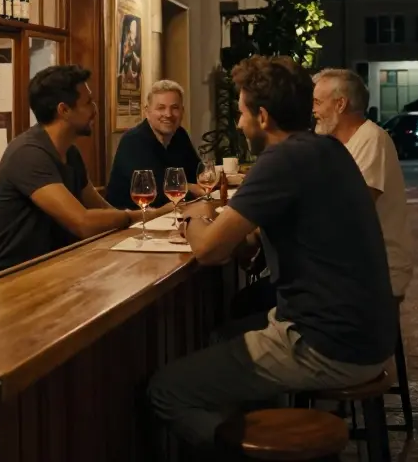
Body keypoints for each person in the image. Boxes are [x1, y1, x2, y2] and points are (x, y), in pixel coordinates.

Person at [148, 56, 396, 456]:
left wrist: (195, 216)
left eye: (243, 112)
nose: (240, 123)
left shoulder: (281, 160)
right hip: (368, 334)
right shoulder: (327, 150)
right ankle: (260, 428)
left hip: (327, 344)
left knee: (167, 390)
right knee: (222, 337)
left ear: (262, 116)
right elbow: (263, 237)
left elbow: (209, 250)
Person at [0, 65, 147, 275]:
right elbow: (83, 222)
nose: (95, 109)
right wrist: (135, 217)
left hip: (57, 268)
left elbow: (102, 208)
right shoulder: (28, 154)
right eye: (88, 103)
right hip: (10, 278)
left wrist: (149, 216)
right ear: (64, 110)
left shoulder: (71, 153)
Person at [313, 68, 414, 300]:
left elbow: (352, 208)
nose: (313, 110)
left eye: (318, 102)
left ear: (340, 104)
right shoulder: (339, 144)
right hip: (355, 268)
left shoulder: (371, 139)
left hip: (376, 272)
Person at [105, 80, 202, 210]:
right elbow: (156, 194)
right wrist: (191, 188)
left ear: (182, 111)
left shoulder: (180, 134)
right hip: (130, 222)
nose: (168, 114)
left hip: (168, 216)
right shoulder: (133, 141)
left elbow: (197, 175)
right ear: (147, 111)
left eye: (175, 108)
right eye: (161, 108)